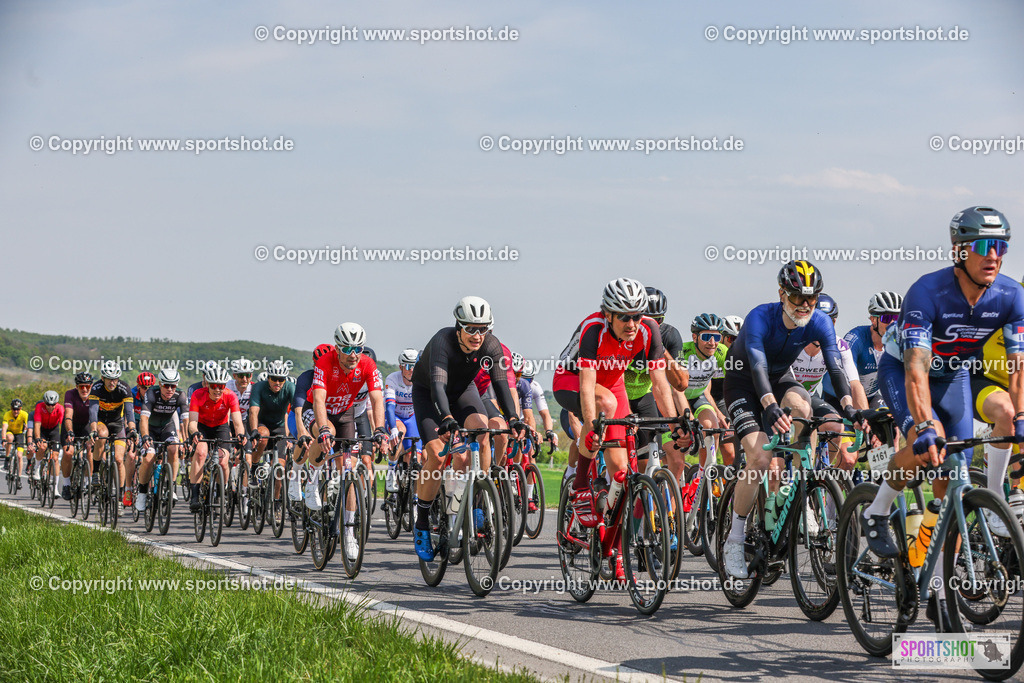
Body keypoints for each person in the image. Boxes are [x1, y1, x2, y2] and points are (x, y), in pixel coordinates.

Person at [860, 207, 1023, 629]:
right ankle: (876, 510)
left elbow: (1017, 368)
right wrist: (925, 427)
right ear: (960, 250)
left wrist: (1019, 419)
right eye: (986, 247)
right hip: (905, 372)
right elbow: (915, 368)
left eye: (1002, 247)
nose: (995, 256)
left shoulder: (1010, 296)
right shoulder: (926, 292)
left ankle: (935, 582)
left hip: (954, 376)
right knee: (923, 447)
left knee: (951, 481)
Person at [721, 260, 865, 580]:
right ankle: (734, 539)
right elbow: (757, 368)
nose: (805, 305)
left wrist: (848, 406)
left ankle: (801, 492)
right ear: (782, 294)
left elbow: (836, 367)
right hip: (744, 383)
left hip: (781, 378)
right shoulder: (760, 317)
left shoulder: (820, 322)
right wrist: (769, 406)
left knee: (803, 407)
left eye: (812, 299)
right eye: (798, 297)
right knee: (759, 458)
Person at [552, 278, 689, 580]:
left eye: (637, 316)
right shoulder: (593, 328)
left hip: (613, 386)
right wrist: (590, 425)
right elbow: (588, 386)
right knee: (605, 404)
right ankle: (578, 488)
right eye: (624, 316)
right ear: (608, 314)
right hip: (571, 381)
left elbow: (659, 383)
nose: (632, 323)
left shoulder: (648, 330)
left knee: (622, 475)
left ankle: (608, 548)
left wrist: (674, 423)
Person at [411, 296, 526, 562]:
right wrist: (447, 419)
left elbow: (500, 385)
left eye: (483, 328)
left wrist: (514, 418)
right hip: (430, 395)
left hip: (463, 391)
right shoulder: (443, 341)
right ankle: (423, 521)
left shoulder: (491, 345)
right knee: (438, 457)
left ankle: (477, 498)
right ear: (458, 326)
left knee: (483, 429)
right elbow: (438, 387)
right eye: (471, 328)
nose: (477, 335)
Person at [137, 367, 188, 510]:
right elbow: (144, 418)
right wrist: (145, 436)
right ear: (160, 384)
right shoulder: (152, 393)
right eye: (166, 385)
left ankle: (171, 487)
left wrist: (185, 439)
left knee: (174, 448)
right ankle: (141, 493)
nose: (170, 389)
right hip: (151, 429)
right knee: (149, 458)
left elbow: (186, 421)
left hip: (167, 428)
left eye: (173, 385)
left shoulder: (180, 395)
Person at [88, 361, 137, 505]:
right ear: (103, 378)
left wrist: (132, 429)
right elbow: (92, 411)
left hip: (117, 423)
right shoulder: (96, 388)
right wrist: (93, 430)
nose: (112, 382)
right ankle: (96, 472)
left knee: (119, 459)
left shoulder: (124, 389)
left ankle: (120, 496)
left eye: (115, 379)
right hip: (101, 421)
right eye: (109, 379)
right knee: (101, 434)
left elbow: (129, 412)